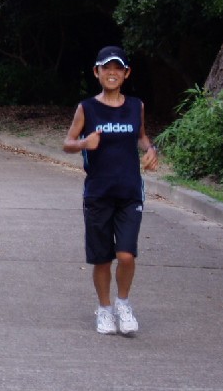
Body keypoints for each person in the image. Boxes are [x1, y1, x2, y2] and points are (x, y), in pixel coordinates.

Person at [63, 45, 158, 334]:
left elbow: (141, 136)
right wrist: (84, 143)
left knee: (126, 255)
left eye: (118, 68)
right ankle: (104, 309)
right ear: (97, 72)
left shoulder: (136, 106)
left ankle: (123, 304)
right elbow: (68, 143)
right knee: (102, 258)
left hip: (129, 192)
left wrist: (151, 149)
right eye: (107, 68)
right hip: (98, 193)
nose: (112, 73)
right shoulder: (87, 108)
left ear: (127, 73)